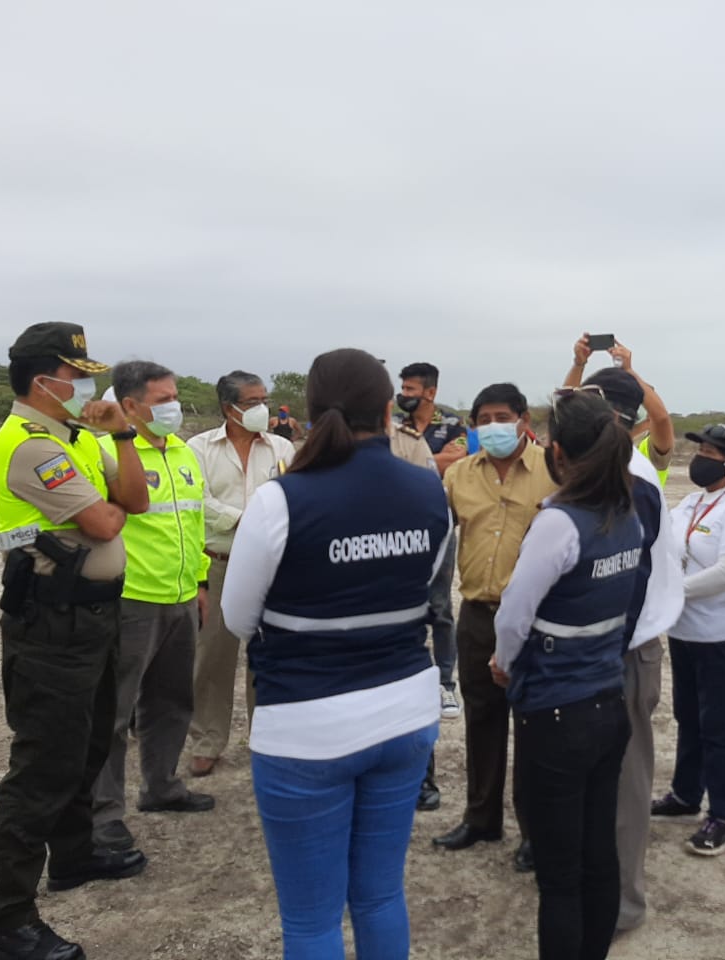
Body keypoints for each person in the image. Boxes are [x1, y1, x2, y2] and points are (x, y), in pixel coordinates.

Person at [221, 348, 450, 960]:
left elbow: (238, 618)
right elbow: (425, 587)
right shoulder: (429, 490)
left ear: (313, 411)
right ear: (388, 408)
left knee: (311, 920)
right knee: (380, 896)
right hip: (405, 714)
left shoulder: (281, 499)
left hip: (306, 726)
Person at [0, 323, 150, 960]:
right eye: (76, 377)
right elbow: (106, 521)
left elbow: (134, 499)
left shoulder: (73, 439)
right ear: (42, 381)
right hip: (50, 625)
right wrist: (110, 504)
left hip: (92, 616)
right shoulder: (29, 445)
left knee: (90, 741)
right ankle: (10, 922)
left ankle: (75, 856)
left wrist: (123, 435)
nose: (87, 388)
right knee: (42, 767)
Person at [491, 390, 642, 960]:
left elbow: (514, 613)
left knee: (559, 875)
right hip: (607, 700)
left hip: (556, 713)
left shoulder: (560, 521)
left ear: (556, 453)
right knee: (598, 855)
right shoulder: (626, 512)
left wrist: (503, 663)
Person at [559, 368, 683, 932]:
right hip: (602, 647)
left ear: (610, 414)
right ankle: (592, 884)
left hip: (622, 650)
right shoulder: (606, 467)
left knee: (626, 782)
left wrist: (603, 650)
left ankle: (621, 905)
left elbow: (628, 576)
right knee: (593, 777)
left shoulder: (634, 476)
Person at [90, 361, 216, 857]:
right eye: (163, 400)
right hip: (132, 599)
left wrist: (200, 582)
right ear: (130, 405)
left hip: (181, 595)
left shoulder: (183, 452)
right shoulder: (107, 452)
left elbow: (194, 522)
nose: (173, 407)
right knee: (115, 712)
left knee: (172, 702)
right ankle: (104, 816)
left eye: (174, 397)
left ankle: (161, 786)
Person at [434, 383, 557, 872]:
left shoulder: (554, 470)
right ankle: (481, 817)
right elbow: (436, 533)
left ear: (524, 420)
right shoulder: (459, 474)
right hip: (478, 615)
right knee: (482, 719)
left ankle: (535, 831)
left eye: (501, 417)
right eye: (483, 419)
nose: (492, 427)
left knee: (533, 725)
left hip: (536, 619)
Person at [650, 423, 725, 858]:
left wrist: (670, 592)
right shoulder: (691, 502)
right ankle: (685, 793)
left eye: (711, 453)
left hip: (722, 634)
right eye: (701, 450)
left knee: (716, 724)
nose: (700, 458)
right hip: (684, 629)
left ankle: (723, 816)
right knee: (687, 715)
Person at [186, 371, 296, 776]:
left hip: (272, 565)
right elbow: (198, 500)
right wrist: (249, 520)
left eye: (264, 400)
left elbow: (293, 493)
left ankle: (266, 738)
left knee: (267, 654)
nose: (262, 409)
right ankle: (207, 739)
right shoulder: (199, 449)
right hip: (219, 561)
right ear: (228, 407)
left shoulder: (282, 447)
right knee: (212, 655)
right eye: (252, 402)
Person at [396, 362, 468, 813]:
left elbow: (454, 465)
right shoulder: (392, 424)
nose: (403, 393)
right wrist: (431, 464)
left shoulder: (453, 424)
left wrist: (423, 465)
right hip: (398, 527)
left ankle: (445, 681)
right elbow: (430, 468)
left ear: (430, 392)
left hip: (440, 525)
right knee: (405, 607)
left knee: (440, 608)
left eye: (410, 387)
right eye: (401, 386)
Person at [565, 335, 674, 486]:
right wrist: (578, 364)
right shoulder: (592, 442)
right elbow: (567, 411)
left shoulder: (649, 449)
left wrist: (629, 372)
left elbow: (661, 418)